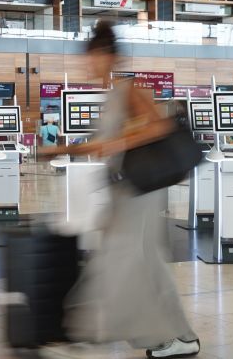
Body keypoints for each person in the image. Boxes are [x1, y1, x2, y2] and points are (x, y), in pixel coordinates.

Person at [43, 21, 200, 358]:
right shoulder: (114, 93)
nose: (87, 64)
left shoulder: (130, 89)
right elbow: (103, 144)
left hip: (139, 192)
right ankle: (179, 336)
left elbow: (159, 127)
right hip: (125, 191)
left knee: (118, 261)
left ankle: (84, 335)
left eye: (91, 57)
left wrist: (116, 142)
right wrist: (62, 150)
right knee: (145, 265)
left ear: (106, 55)